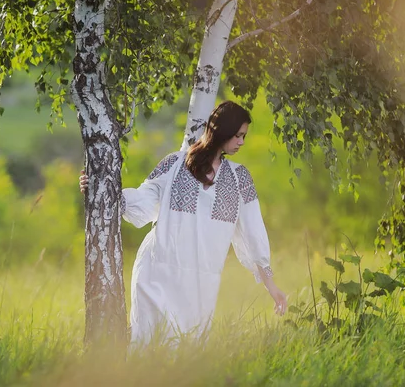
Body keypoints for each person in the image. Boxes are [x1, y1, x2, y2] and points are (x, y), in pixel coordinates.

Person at [79, 101, 287, 345]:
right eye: (238, 135)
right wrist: (99, 189)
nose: (241, 142)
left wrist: (272, 288)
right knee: (148, 345)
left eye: (244, 136)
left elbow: (253, 235)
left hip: (200, 283)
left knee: (187, 351)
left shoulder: (239, 178)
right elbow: (143, 200)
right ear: (223, 130)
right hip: (157, 273)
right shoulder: (175, 164)